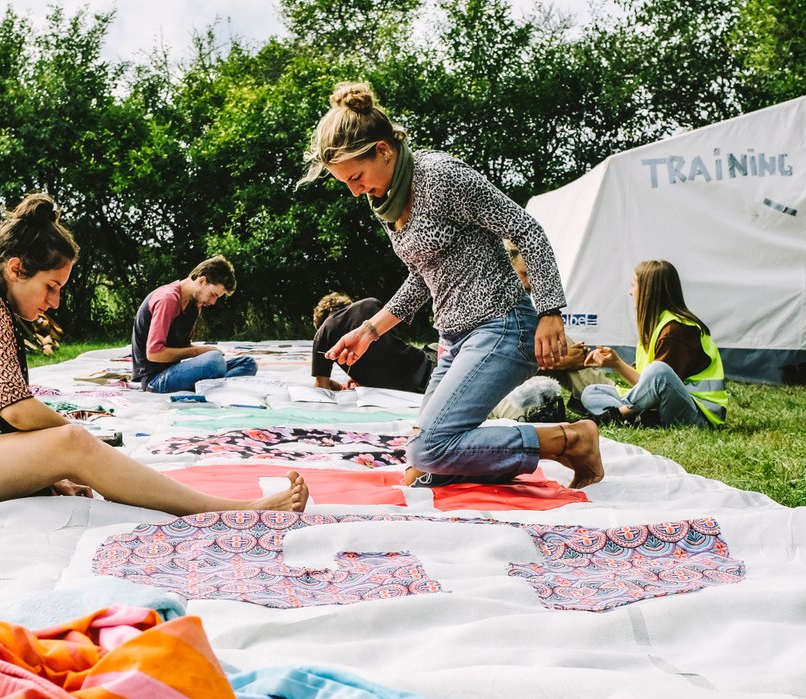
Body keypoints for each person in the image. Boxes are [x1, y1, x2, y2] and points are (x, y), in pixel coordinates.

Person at [0, 194, 308, 513]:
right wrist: (79, 445)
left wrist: (46, 470)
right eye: (51, 287)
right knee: (72, 442)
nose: (53, 302)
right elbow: (16, 412)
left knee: (67, 447)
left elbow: (1, 419)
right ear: (16, 269)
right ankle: (228, 508)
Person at [300, 82, 603, 489]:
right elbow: (422, 277)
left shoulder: (442, 177)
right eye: (346, 183)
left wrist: (550, 311)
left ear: (383, 150)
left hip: (501, 326)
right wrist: (368, 331)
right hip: (455, 339)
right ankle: (515, 452)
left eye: (356, 177)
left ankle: (571, 439)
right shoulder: (388, 203)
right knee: (422, 470)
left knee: (430, 449)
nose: (355, 191)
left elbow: (526, 229)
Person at [580, 259, 727, 428]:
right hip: (663, 404)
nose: (630, 292)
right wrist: (616, 364)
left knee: (659, 370)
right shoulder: (657, 326)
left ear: (648, 291)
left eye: (633, 285)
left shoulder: (677, 330)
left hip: (699, 416)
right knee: (592, 392)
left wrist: (618, 365)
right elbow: (647, 386)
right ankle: (637, 416)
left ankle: (621, 414)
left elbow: (659, 380)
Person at [502, 240, 613, 409]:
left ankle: (609, 401)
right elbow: (499, 366)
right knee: (560, 349)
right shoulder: (492, 307)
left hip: (523, 372)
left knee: (558, 343)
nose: (530, 282)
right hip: (495, 391)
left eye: (532, 275)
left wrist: (558, 359)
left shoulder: (522, 308)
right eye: (524, 274)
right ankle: (611, 401)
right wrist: (560, 362)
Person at [130, 256, 258, 393]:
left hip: (175, 371)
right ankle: (213, 386)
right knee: (214, 362)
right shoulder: (167, 299)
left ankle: (210, 386)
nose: (213, 302)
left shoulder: (194, 305)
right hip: (155, 380)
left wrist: (207, 351)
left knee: (247, 363)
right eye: (213, 295)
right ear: (202, 280)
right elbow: (154, 353)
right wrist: (200, 351)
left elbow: (184, 347)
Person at [310, 292, 433, 392]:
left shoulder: (323, 333)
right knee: (435, 347)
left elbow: (321, 389)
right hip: (425, 371)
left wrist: (365, 378)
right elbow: (389, 349)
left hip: (395, 392)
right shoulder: (370, 304)